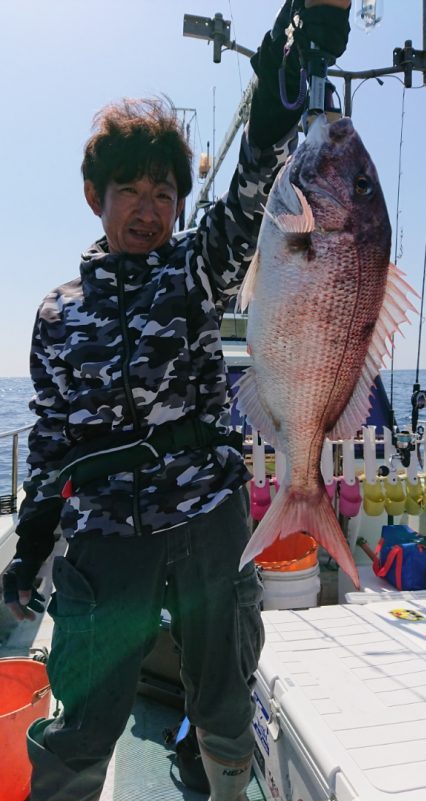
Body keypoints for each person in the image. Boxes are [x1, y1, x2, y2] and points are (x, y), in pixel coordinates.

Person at [3, 3, 350, 800]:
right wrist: (30, 548)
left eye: (163, 193)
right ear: (96, 195)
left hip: (207, 521)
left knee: (225, 701)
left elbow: (256, 171)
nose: (148, 208)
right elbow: (52, 444)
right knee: (83, 721)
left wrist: (293, 61)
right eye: (129, 189)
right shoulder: (58, 314)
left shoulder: (195, 272)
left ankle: (227, 784)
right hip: (105, 538)